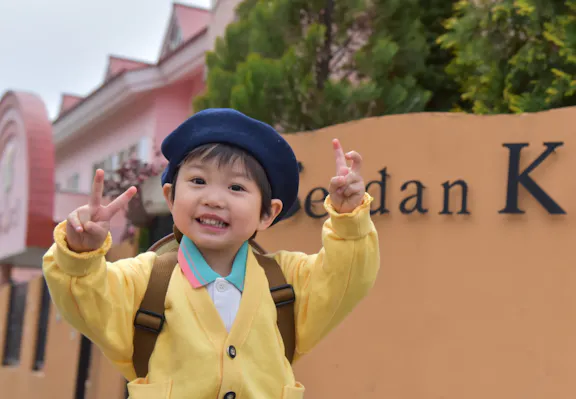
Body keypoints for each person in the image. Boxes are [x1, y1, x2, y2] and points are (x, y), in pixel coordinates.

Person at [43, 108, 380, 399]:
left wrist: (349, 218)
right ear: (170, 196)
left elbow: (347, 273)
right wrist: (80, 254)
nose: (214, 199)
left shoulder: (288, 283)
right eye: (199, 181)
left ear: (268, 213)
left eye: (236, 187)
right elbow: (86, 301)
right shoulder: (143, 281)